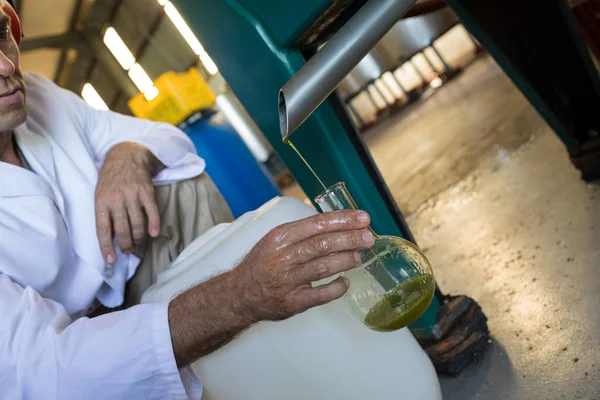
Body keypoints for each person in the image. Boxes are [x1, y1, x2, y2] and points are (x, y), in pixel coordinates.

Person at [0, 1, 376, 399]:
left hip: (118, 287)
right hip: (61, 363)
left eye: (1, 34)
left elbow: (168, 140)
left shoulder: (41, 97)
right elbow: (45, 371)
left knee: (179, 185)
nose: (7, 68)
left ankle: (251, 369)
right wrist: (240, 296)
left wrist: (129, 153)